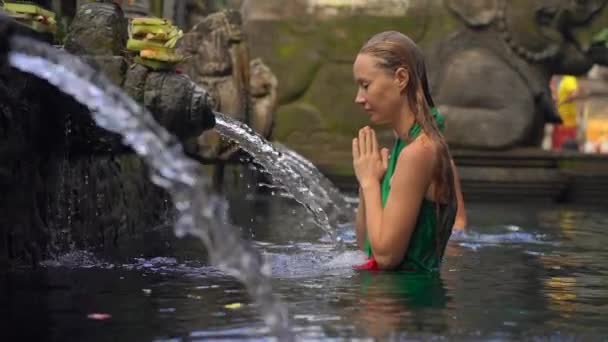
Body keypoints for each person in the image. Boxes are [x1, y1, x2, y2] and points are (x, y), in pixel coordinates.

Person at [352, 31, 465, 272]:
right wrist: (366, 184)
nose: (358, 98)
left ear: (401, 78)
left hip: (408, 303)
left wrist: (371, 183)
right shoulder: (404, 145)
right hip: (390, 300)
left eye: (366, 85)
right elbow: (366, 246)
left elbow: (386, 256)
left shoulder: (419, 152)